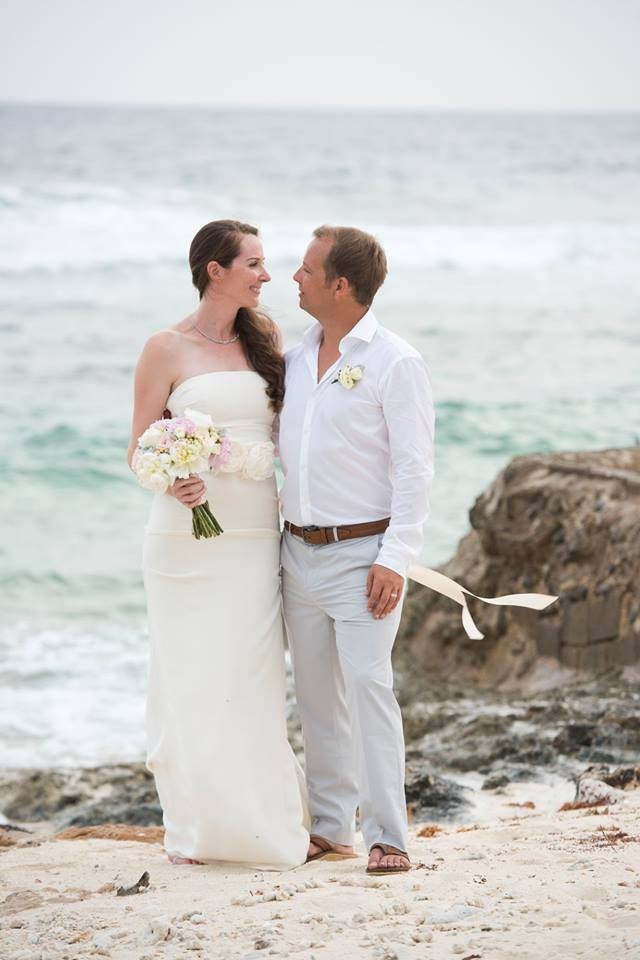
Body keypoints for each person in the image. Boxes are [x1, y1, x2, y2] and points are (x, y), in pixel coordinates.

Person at [128, 219, 309, 870]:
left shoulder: (267, 339)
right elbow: (138, 449)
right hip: (184, 540)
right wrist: (171, 477)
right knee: (190, 678)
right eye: (254, 263)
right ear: (215, 270)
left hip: (253, 536)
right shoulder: (165, 348)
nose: (267, 275)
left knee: (252, 676)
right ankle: (197, 831)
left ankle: (263, 829)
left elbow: (290, 436)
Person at [279, 225, 435, 874]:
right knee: (316, 698)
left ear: (340, 285)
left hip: (363, 556)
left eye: (307, 269)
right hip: (295, 553)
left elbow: (414, 470)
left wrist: (395, 557)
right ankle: (330, 828)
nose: (294, 277)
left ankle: (389, 836)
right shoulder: (294, 357)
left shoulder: (395, 362)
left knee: (369, 688)